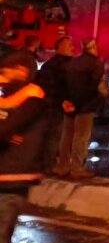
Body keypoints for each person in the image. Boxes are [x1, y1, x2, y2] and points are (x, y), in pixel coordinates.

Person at [0, 50, 49, 243]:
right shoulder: (10, 97)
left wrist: (7, 132)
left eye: (4, 72)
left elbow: (5, 129)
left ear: (20, 70)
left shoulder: (32, 97)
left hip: (11, 182)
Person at [57, 37, 106, 179]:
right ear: (93, 48)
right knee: (81, 137)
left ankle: (62, 166)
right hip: (85, 106)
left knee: (66, 137)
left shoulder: (72, 62)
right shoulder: (96, 64)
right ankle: (77, 168)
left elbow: (64, 84)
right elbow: (91, 88)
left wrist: (67, 102)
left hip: (70, 105)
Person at [34, 35, 73, 174]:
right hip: (57, 106)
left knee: (45, 135)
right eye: (69, 44)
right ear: (60, 47)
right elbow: (66, 87)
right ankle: (49, 165)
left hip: (44, 105)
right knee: (54, 136)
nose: (72, 47)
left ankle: (41, 163)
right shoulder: (66, 66)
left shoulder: (48, 65)